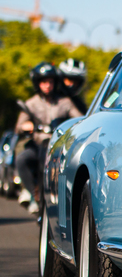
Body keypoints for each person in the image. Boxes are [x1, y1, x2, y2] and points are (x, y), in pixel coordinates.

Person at [15, 62, 83, 214]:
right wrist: (26, 126)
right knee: (22, 159)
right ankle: (32, 194)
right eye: (44, 82)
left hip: (57, 146)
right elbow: (19, 127)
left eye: (50, 82)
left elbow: (80, 119)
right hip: (38, 145)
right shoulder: (31, 103)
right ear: (37, 83)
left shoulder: (64, 102)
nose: (47, 85)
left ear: (55, 83)